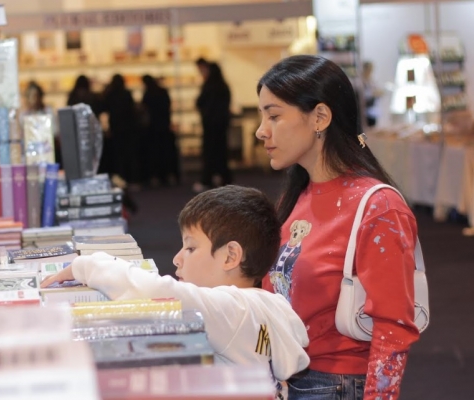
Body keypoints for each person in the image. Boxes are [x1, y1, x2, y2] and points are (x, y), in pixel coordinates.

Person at [42, 185, 310, 399]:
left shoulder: (233, 310)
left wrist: (86, 264)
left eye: (190, 248)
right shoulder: (265, 306)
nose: (177, 259)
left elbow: (161, 294)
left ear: (230, 256)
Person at [255, 55, 420, 400]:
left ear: (320, 117)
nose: (261, 130)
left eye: (273, 115)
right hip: (286, 379)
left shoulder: (379, 207)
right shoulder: (297, 196)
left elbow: (394, 327)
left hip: (333, 386)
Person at [195, 62, 232, 192]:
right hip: (221, 125)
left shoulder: (209, 86)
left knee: (209, 152)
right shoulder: (223, 86)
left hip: (210, 125)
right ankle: (224, 177)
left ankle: (208, 179)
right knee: (221, 152)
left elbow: (200, 102)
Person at [141, 74, 180, 186]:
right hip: (164, 126)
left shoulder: (148, 94)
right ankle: (167, 175)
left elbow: (145, 110)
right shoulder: (162, 92)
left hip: (153, 128)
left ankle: (157, 175)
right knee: (165, 152)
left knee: (155, 153)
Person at [102, 74, 141, 185]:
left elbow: (104, 108)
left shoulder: (110, 95)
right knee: (131, 155)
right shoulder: (126, 94)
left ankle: (122, 179)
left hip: (117, 129)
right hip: (129, 128)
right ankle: (134, 179)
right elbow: (132, 110)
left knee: (119, 156)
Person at [21, 81, 60, 163]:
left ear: (40, 97)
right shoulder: (23, 116)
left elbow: (55, 133)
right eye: (30, 96)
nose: (33, 100)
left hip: (48, 155)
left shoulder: (49, 113)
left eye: (35, 96)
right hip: (30, 158)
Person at [362, 61, 383, 128]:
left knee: (372, 128)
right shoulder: (361, 81)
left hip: (372, 110)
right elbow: (365, 95)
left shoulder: (371, 81)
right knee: (364, 132)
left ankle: (367, 138)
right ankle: (363, 139)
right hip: (365, 111)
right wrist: (374, 94)